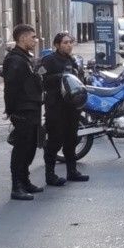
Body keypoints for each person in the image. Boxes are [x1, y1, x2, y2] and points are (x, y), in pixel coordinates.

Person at [39, 32, 90, 186]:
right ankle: (50, 174)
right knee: (55, 141)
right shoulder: (48, 60)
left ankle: (72, 171)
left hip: (72, 108)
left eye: (70, 42)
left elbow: (81, 81)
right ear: (57, 44)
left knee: (71, 140)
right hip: (56, 107)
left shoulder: (73, 60)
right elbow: (42, 81)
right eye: (65, 42)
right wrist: (61, 76)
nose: (69, 45)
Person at [3, 24, 43, 200]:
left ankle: (25, 180)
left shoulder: (26, 57)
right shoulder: (15, 60)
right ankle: (16, 186)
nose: (35, 40)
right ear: (22, 38)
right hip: (22, 109)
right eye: (32, 37)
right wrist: (11, 111)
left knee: (31, 147)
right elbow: (10, 88)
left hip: (33, 107)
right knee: (21, 148)